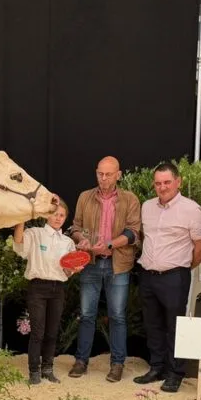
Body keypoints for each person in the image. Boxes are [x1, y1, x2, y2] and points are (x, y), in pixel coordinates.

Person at [134, 163, 201, 392]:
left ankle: (175, 373)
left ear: (178, 182)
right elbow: (145, 237)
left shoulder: (192, 210)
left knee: (176, 326)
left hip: (175, 277)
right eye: (158, 183)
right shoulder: (146, 207)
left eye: (167, 182)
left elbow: (200, 248)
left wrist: (183, 267)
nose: (162, 187)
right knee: (153, 324)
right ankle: (157, 367)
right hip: (148, 275)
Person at [68, 156, 142, 382]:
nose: (104, 178)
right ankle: (81, 361)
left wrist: (109, 244)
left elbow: (133, 233)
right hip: (90, 262)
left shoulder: (130, 199)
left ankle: (117, 364)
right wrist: (83, 241)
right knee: (87, 314)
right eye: (100, 173)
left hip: (117, 263)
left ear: (118, 175)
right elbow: (76, 228)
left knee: (117, 316)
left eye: (109, 174)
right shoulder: (84, 197)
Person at [12, 199, 83, 385]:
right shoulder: (34, 234)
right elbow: (18, 243)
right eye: (55, 214)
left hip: (58, 289)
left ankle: (48, 369)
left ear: (65, 218)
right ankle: (34, 371)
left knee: (52, 332)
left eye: (62, 215)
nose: (58, 218)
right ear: (47, 214)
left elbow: (67, 271)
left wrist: (74, 270)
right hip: (38, 288)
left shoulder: (67, 242)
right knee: (38, 332)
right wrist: (21, 219)